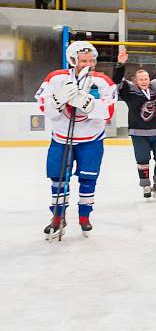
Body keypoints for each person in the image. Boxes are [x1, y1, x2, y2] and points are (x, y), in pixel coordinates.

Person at [34, 41, 117, 239]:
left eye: (91, 60)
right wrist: (56, 100)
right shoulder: (55, 78)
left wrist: (88, 104)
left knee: (88, 179)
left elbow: (109, 112)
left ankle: (84, 217)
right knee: (58, 178)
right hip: (61, 138)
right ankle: (57, 217)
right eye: (83, 60)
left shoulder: (103, 81)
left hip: (91, 140)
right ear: (72, 60)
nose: (88, 63)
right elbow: (43, 104)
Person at [112, 47, 156, 199]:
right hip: (138, 134)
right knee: (142, 160)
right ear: (135, 81)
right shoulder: (130, 91)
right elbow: (117, 82)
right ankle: (146, 185)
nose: (144, 81)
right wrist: (120, 64)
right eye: (141, 79)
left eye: (146, 78)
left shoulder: (155, 90)